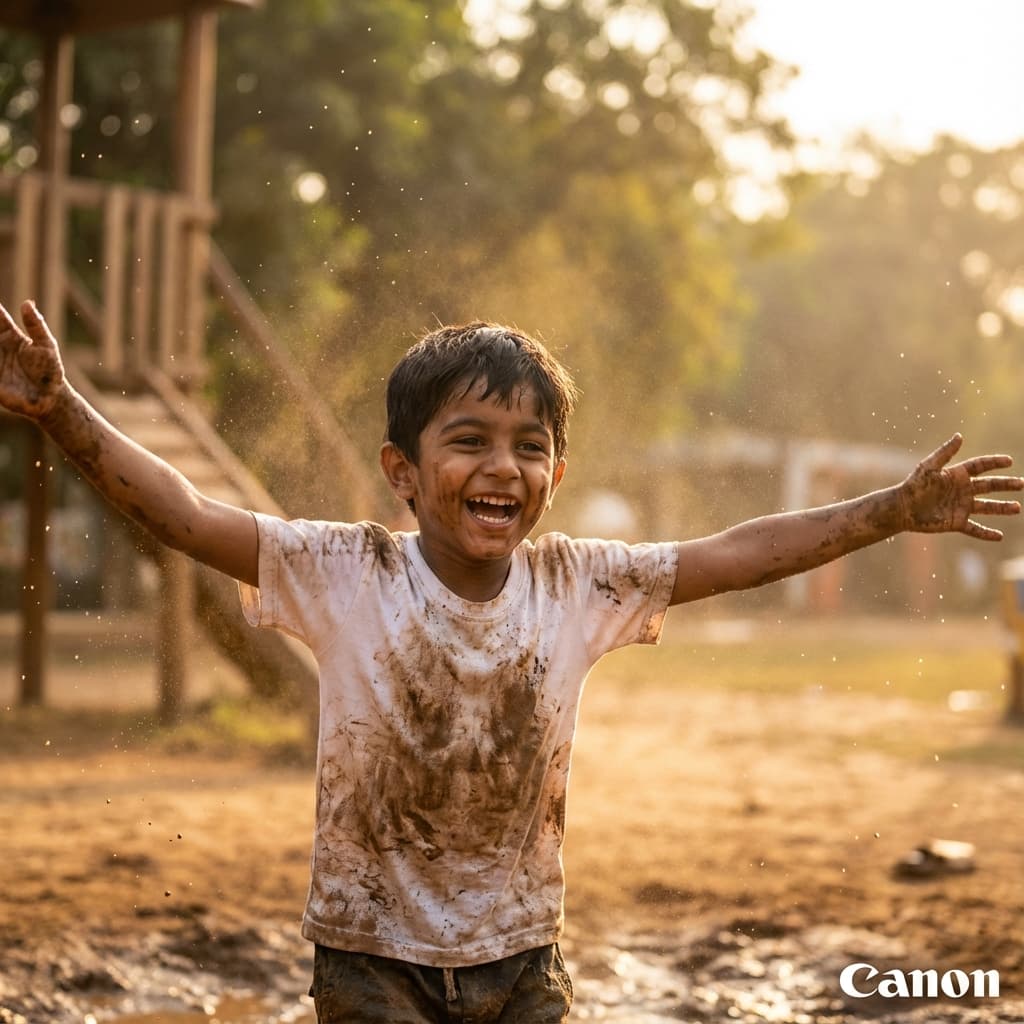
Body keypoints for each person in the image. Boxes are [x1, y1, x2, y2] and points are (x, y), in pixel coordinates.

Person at [2, 298, 1021, 1022]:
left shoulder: (578, 584)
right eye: (469, 439)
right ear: (403, 472)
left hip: (526, 963)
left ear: (556, 475)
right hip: (370, 963)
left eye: (529, 445)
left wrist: (891, 511)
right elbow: (184, 514)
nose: (502, 465)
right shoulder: (343, 570)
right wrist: (61, 410)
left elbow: (738, 552)